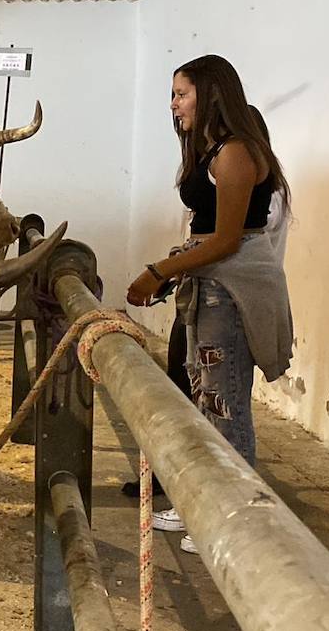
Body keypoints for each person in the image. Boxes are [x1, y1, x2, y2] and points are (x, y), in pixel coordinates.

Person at [126, 55, 294, 554]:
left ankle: (237, 518)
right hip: (209, 283)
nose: (174, 104)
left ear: (211, 93)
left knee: (226, 402)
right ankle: (205, 500)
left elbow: (226, 240)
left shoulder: (236, 152)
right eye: (174, 95)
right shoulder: (213, 150)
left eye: (182, 93)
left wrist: (159, 270)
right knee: (203, 395)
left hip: (229, 285)